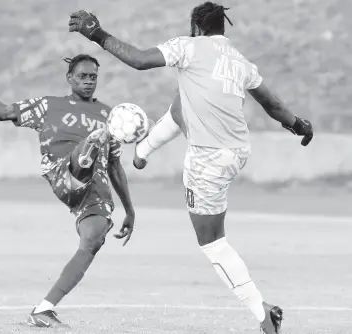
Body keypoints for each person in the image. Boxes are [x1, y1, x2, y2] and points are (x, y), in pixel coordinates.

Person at [68, 3, 314, 334]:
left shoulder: (189, 47)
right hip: (238, 152)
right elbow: (273, 105)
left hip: (207, 162)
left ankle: (263, 313)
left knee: (212, 242)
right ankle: (144, 149)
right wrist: (299, 126)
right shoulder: (240, 62)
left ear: (196, 27)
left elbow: (139, 60)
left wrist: (95, 33)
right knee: (184, 97)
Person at [0, 54, 136, 330]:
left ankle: (44, 310)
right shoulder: (49, 106)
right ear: (69, 78)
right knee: (96, 139)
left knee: (93, 240)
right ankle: (84, 156)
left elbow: (115, 166)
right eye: (83, 76)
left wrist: (130, 210)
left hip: (94, 190)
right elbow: (3, 112)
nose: (88, 81)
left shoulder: (109, 115)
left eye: (93, 77)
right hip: (63, 173)